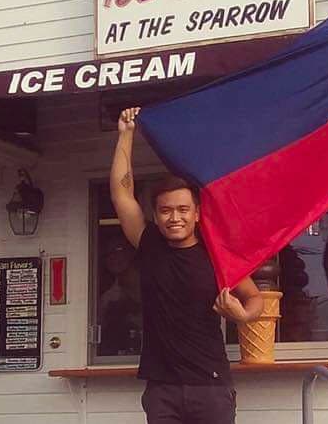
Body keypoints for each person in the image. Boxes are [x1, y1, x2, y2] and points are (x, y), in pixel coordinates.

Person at [110, 106, 263, 424]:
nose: (174, 218)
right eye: (166, 210)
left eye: (183, 209)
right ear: (156, 215)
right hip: (162, 390)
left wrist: (242, 315)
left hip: (211, 386)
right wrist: (126, 136)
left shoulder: (216, 254)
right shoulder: (149, 244)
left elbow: (256, 299)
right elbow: (121, 193)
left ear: (196, 214)